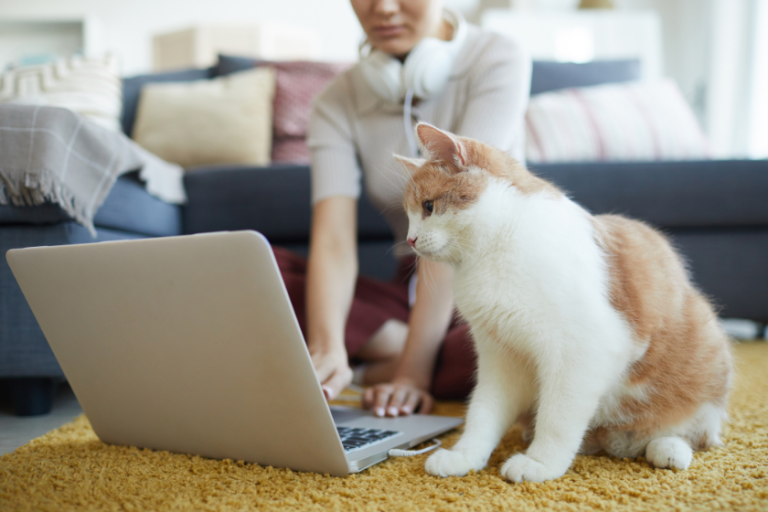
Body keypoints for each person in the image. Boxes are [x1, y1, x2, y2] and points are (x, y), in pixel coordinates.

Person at [275, 0, 531, 417]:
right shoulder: (335, 101)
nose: (384, 9)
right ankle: (390, 344)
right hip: (410, 286)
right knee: (259, 272)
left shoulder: (496, 57)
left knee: (520, 344)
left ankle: (390, 355)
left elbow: (457, 225)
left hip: (491, 283)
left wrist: (411, 373)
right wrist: (325, 347)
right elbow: (334, 239)